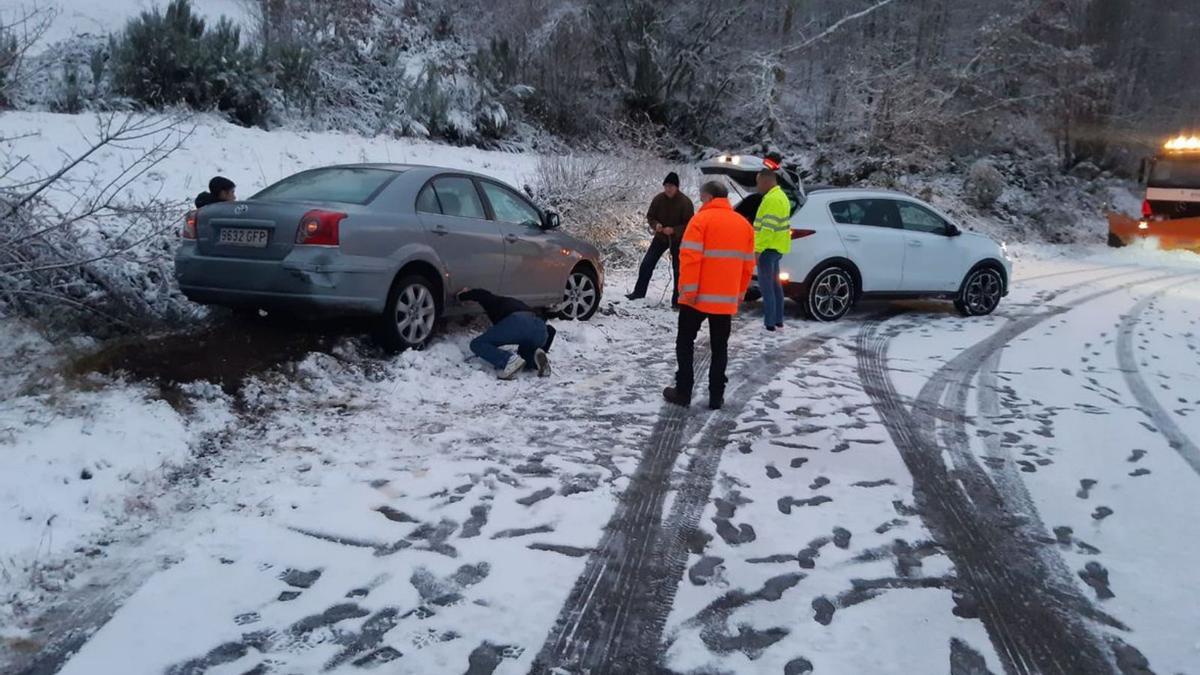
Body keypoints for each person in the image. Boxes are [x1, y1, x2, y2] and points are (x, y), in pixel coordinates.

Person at [663, 181, 755, 410]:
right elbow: (747, 265)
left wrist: (688, 291)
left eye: (701, 197)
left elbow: (690, 259)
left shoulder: (700, 220)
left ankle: (683, 391)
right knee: (719, 347)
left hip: (697, 298)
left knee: (685, 342)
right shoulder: (743, 225)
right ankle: (716, 396)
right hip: (724, 301)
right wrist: (740, 293)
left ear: (707, 196)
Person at [627, 172, 695, 307]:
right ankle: (638, 293)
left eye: (671, 186)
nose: (668, 189)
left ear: (677, 187)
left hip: (678, 240)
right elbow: (650, 216)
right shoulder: (658, 199)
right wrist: (655, 225)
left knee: (678, 270)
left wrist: (675, 230)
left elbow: (690, 224)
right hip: (660, 237)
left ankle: (677, 301)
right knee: (647, 263)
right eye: (666, 186)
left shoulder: (685, 202)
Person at [458, 288, 555, 380]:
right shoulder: (517, 304)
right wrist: (543, 348)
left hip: (518, 322)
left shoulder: (495, 301)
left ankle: (508, 361)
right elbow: (551, 330)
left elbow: (482, 294)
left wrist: (461, 296)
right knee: (526, 355)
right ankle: (536, 358)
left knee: (478, 344)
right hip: (540, 327)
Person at [752, 169, 792, 331]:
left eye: (758, 182)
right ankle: (778, 320)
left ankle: (770, 323)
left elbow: (768, 228)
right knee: (775, 286)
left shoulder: (772, 200)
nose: (757, 186)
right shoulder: (780, 196)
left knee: (767, 287)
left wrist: (758, 249)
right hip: (776, 248)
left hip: (768, 249)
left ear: (766, 181)